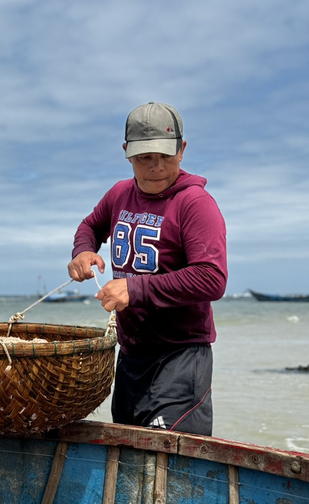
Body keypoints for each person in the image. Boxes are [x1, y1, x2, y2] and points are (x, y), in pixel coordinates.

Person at [67, 102, 227, 435]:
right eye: (144, 158)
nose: (155, 168)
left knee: (171, 461)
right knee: (127, 452)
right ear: (126, 152)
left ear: (182, 150)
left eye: (165, 157)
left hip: (181, 357)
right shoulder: (119, 194)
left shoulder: (195, 203)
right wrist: (83, 251)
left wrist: (135, 288)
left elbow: (212, 278)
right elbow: (90, 226)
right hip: (132, 356)